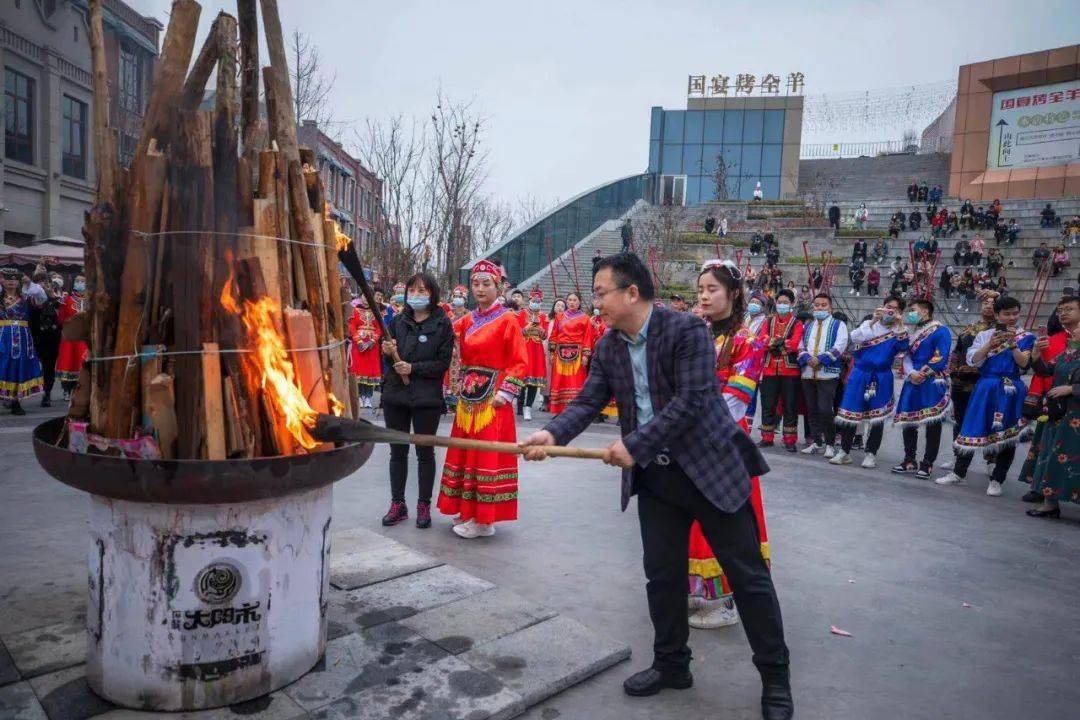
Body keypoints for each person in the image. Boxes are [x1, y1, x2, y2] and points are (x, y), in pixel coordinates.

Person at [521, 253, 792, 718]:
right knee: (663, 577)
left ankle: (775, 678)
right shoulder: (608, 346)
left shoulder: (685, 331)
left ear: (631, 292)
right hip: (658, 479)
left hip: (711, 472)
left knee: (748, 579)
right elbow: (588, 399)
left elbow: (693, 401)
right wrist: (553, 433)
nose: (596, 302)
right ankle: (671, 665)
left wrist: (637, 443)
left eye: (602, 293)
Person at [684, 260, 770, 632]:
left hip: (722, 439)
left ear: (733, 294)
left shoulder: (749, 340)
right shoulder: (692, 332)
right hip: (686, 435)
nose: (704, 295)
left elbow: (737, 397)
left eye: (713, 289)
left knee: (723, 519)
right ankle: (692, 591)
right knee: (688, 518)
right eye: (701, 289)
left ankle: (723, 599)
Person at [437, 259, 528, 538]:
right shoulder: (468, 319)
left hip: (493, 398)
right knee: (466, 452)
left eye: (486, 283)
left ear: (498, 287)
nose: (479, 289)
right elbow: (445, 333)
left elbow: (520, 362)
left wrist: (506, 391)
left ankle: (485, 519)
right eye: (475, 283)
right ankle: (468, 510)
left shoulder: (508, 320)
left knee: (485, 454)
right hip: (469, 395)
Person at [936, 296, 1034, 496]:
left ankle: (997, 479)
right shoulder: (984, 335)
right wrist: (990, 344)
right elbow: (973, 361)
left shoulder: (1026, 336)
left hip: (1011, 388)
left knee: (1008, 434)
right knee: (972, 427)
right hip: (986, 386)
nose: (1011, 317)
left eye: (1015, 313)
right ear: (997, 315)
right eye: (1007, 314)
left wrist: (1013, 344)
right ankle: (959, 472)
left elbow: (1024, 364)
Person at [379, 273, 454, 529]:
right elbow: (390, 357)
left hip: (426, 398)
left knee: (425, 452)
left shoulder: (443, 324)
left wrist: (413, 368)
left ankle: (424, 504)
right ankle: (397, 504)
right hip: (396, 396)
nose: (416, 295)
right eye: (412, 290)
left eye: (422, 290)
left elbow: (442, 363)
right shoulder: (398, 321)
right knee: (397, 451)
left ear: (432, 293)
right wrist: (388, 353)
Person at [831, 297, 907, 466]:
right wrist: (873, 320)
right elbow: (855, 338)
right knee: (850, 413)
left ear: (900, 313)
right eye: (888, 307)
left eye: (894, 309)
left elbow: (904, 348)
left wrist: (900, 325)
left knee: (877, 417)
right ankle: (844, 451)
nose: (890, 311)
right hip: (859, 374)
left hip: (881, 377)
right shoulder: (869, 325)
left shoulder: (900, 331)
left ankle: (871, 453)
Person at [1019, 296, 1078, 502]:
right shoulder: (1063, 345)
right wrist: (1035, 355)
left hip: (1074, 409)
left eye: (1069, 309)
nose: (1062, 313)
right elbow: (1046, 370)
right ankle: (1046, 498)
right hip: (1058, 408)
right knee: (1051, 452)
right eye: (1060, 310)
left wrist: (1071, 388)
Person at [891, 299, 953, 478]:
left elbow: (940, 357)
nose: (910, 313)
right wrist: (911, 373)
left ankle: (928, 463)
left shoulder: (941, 331)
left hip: (932, 381)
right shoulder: (913, 332)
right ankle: (909, 459)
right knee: (909, 422)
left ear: (925, 311)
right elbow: (906, 356)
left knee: (932, 423)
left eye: (913, 310)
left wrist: (922, 373)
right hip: (913, 380)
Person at [798, 294, 849, 456]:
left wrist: (820, 359)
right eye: (817, 305)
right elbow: (800, 346)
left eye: (823, 305)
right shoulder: (808, 326)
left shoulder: (838, 325)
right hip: (807, 372)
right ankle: (816, 441)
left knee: (826, 409)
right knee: (811, 409)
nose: (820, 308)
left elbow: (840, 345)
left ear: (830, 308)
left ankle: (830, 443)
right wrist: (807, 358)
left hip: (827, 373)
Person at [758, 289, 804, 452]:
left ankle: (790, 440)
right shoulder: (768, 321)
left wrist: (774, 344)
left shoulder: (797, 323)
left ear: (792, 304)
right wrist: (780, 343)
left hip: (790, 371)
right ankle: (767, 437)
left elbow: (795, 343)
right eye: (780, 302)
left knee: (789, 406)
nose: (782, 305)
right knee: (767, 404)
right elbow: (761, 340)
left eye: (785, 302)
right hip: (769, 369)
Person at [1, 267, 44, 414]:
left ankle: (15, 401)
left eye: (14, 279)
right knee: (2, 365)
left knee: (18, 366)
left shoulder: (26, 297)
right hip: (3, 335)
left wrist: (29, 282)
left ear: (18, 282)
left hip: (22, 337)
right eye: (7, 279)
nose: (11, 282)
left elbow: (42, 297)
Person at [547, 291, 596, 413]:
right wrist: (552, 352)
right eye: (569, 300)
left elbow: (587, 337)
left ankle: (575, 410)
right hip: (560, 353)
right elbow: (554, 335)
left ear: (579, 302)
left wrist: (585, 355)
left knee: (576, 381)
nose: (572, 302)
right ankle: (559, 410)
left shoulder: (585, 318)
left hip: (577, 354)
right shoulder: (559, 316)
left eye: (574, 300)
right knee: (559, 381)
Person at [30, 275, 63, 407]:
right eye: (41, 282)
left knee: (48, 366)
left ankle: (47, 393)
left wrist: (51, 295)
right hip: (34, 336)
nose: (44, 285)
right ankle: (15, 396)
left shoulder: (57, 298)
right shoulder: (30, 298)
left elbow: (61, 313)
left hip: (51, 338)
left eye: (47, 282)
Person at [516, 287, 549, 420]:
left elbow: (545, 336)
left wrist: (540, 328)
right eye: (533, 300)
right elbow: (517, 332)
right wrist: (528, 326)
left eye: (538, 300)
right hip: (524, 348)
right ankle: (520, 404)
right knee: (522, 380)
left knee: (534, 381)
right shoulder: (522, 314)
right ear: (529, 300)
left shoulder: (543, 316)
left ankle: (528, 407)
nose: (536, 302)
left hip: (536, 351)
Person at [52, 272, 84, 395]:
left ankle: (81, 389)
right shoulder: (67, 300)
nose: (80, 283)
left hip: (84, 337)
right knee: (68, 361)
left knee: (82, 361)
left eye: (82, 281)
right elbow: (60, 318)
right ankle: (67, 389)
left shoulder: (90, 300)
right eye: (78, 281)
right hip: (70, 335)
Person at [348, 296, 383, 408]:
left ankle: (368, 397)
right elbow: (352, 326)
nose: (366, 299)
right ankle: (359, 397)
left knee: (370, 372)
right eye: (364, 296)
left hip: (372, 346)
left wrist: (373, 340)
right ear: (361, 297)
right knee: (358, 371)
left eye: (368, 297)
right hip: (359, 345)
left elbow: (380, 327)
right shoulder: (355, 310)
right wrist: (358, 341)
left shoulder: (376, 311)